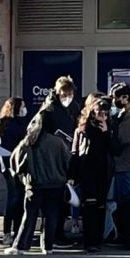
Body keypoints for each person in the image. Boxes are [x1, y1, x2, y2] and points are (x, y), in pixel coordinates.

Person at [5, 112, 71, 255]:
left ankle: (21, 246)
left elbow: (15, 160)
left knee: (29, 216)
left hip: (34, 184)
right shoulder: (59, 142)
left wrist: (20, 175)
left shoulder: (30, 140)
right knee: (51, 216)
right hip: (56, 185)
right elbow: (68, 162)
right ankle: (48, 247)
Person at [39, 76, 81, 248]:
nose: (67, 97)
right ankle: (51, 236)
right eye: (64, 93)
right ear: (57, 92)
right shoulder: (48, 110)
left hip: (66, 158)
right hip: (51, 159)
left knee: (62, 200)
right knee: (52, 201)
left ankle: (58, 234)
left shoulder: (72, 108)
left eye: (70, 94)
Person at [70, 97, 115, 253]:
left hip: (103, 171)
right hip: (87, 171)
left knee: (100, 205)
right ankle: (89, 240)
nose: (102, 117)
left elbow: (115, 149)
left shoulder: (108, 129)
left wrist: (106, 133)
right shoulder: (83, 129)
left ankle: (97, 238)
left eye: (105, 114)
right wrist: (73, 174)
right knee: (90, 205)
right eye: (99, 114)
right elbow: (75, 152)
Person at [0, 97, 29, 246]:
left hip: (19, 166)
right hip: (12, 167)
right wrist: (9, 167)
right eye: (22, 106)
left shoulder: (18, 123)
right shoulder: (8, 125)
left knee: (19, 198)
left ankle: (16, 231)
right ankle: (8, 232)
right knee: (13, 198)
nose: (24, 109)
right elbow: (5, 149)